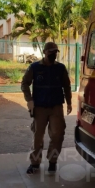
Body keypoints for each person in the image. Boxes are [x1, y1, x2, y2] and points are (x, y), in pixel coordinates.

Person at [21, 41, 72, 174]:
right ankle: (35, 163)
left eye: (55, 52)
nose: (54, 55)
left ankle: (52, 162)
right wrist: (29, 100)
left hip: (56, 107)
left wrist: (69, 102)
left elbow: (66, 86)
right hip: (39, 108)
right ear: (44, 52)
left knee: (57, 134)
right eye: (51, 52)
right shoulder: (35, 67)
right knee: (38, 136)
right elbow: (25, 83)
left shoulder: (60, 68)